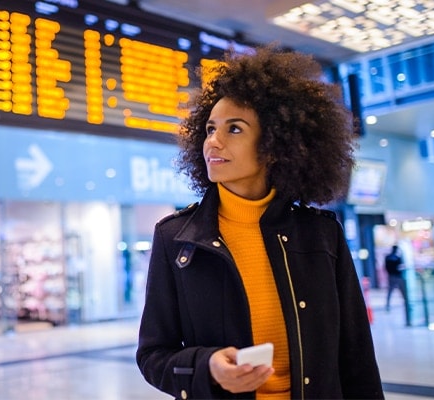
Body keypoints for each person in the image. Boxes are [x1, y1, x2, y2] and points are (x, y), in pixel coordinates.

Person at [136, 46, 383, 399]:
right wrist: (208, 367)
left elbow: (356, 355)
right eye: (209, 129)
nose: (213, 142)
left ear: (274, 144)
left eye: (234, 129)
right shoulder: (176, 238)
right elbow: (152, 355)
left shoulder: (321, 234)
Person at [385, 245, 410, 326]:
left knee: (390, 292)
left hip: (392, 276)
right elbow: (400, 267)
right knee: (401, 293)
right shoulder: (396, 258)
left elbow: (386, 267)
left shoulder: (388, 257)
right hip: (397, 277)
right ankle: (406, 304)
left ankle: (388, 305)